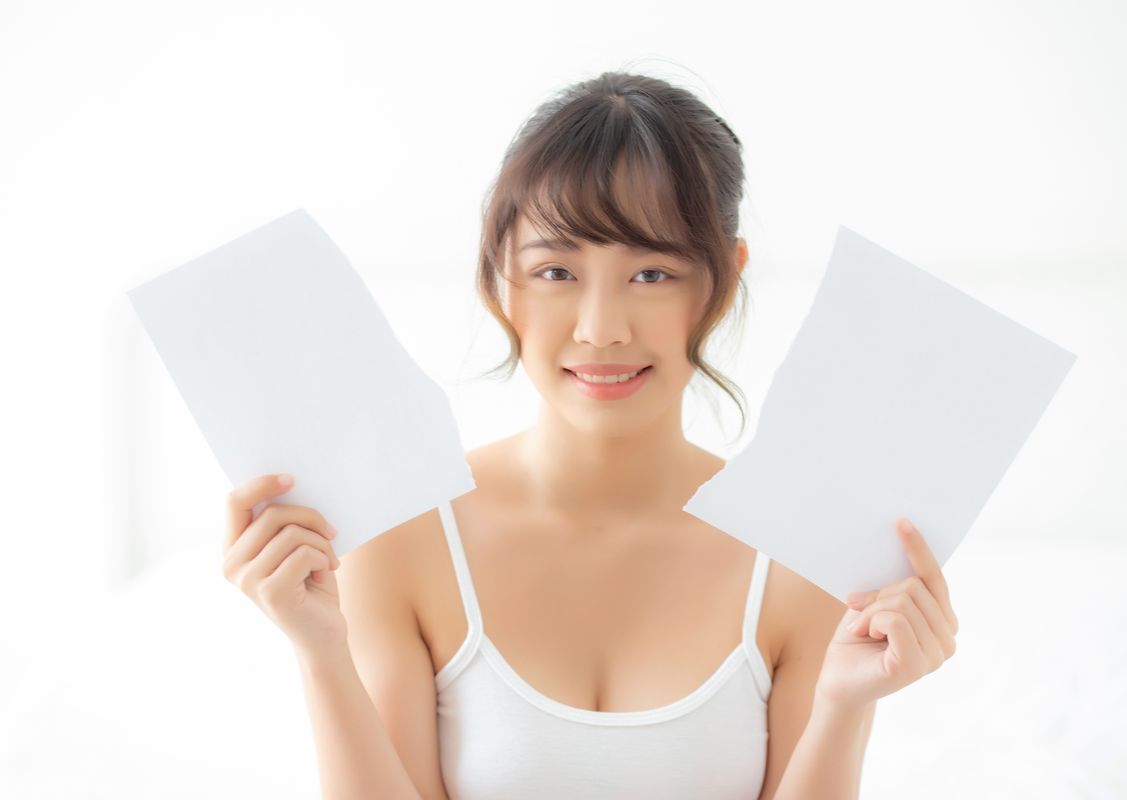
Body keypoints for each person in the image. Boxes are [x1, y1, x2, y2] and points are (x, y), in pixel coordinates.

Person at [222, 70, 960, 800]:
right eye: (554, 271)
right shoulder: (404, 536)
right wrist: (321, 652)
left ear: (723, 284)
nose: (601, 329)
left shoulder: (799, 557)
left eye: (651, 273)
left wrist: (846, 704)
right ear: (500, 283)